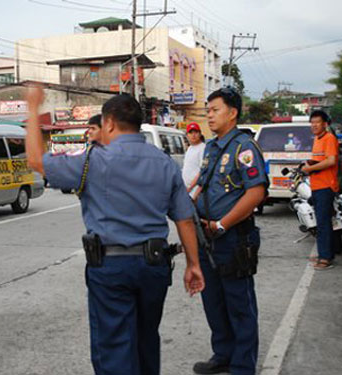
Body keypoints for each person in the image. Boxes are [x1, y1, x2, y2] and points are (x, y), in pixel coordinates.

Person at [25, 87, 205, 375]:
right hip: (154, 267)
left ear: (108, 123)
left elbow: (35, 160)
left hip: (111, 268)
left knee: (113, 348)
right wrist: (193, 265)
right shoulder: (164, 162)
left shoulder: (92, 161)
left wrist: (33, 109)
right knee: (146, 340)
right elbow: (184, 219)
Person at [193, 87, 268, 375]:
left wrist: (222, 224)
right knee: (213, 301)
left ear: (232, 113)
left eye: (214, 110)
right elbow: (201, 184)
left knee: (239, 303)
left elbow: (256, 192)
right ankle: (222, 354)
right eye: (207, 110)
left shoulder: (243, 147)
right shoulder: (212, 147)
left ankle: (242, 365)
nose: (208, 115)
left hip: (233, 237)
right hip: (206, 237)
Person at [302, 110, 339, 269]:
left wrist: (310, 169)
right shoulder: (317, 139)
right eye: (312, 122)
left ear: (325, 124)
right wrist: (310, 165)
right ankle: (326, 253)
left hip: (326, 186)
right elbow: (319, 160)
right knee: (322, 223)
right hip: (317, 186)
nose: (314, 125)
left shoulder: (329, 138)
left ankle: (325, 258)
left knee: (323, 224)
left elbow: (331, 161)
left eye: (317, 122)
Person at [182, 122, 205, 197]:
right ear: (187, 135)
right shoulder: (190, 148)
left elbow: (202, 172)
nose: (193, 135)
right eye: (191, 132)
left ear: (200, 134)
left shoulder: (203, 148)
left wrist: (190, 188)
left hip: (195, 190)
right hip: (186, 190)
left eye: (196, 132)